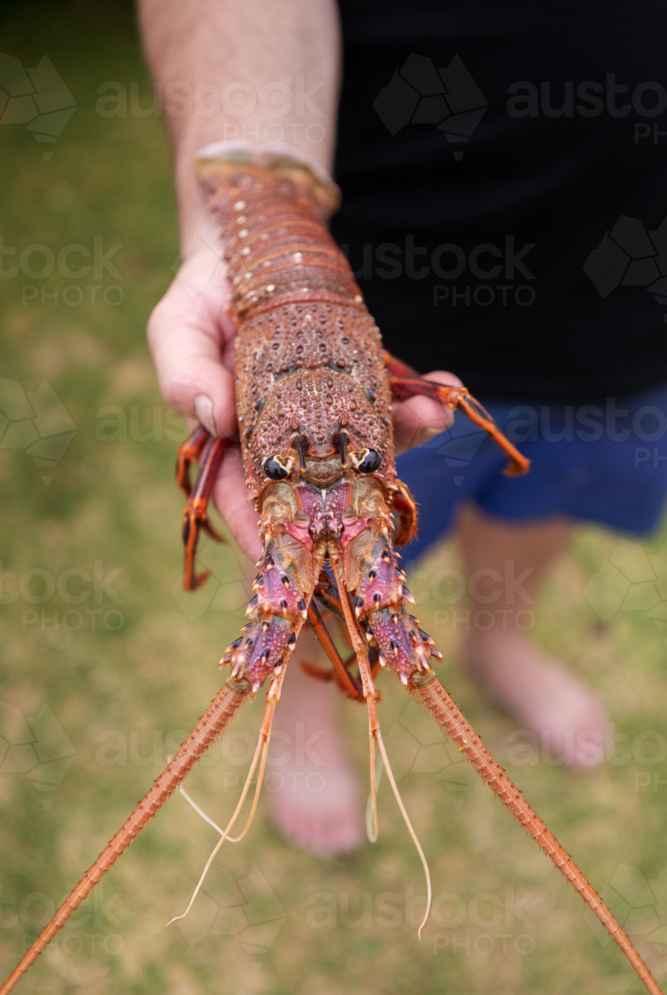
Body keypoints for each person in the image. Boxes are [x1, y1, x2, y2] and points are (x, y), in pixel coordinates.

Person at [140, 0, 667, 856]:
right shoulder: (408, 393)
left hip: (625, 287)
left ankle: (500, 642)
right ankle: (305, 710)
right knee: (308, 557)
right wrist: (246, 184)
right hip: (391, 259)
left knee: (543, 489)